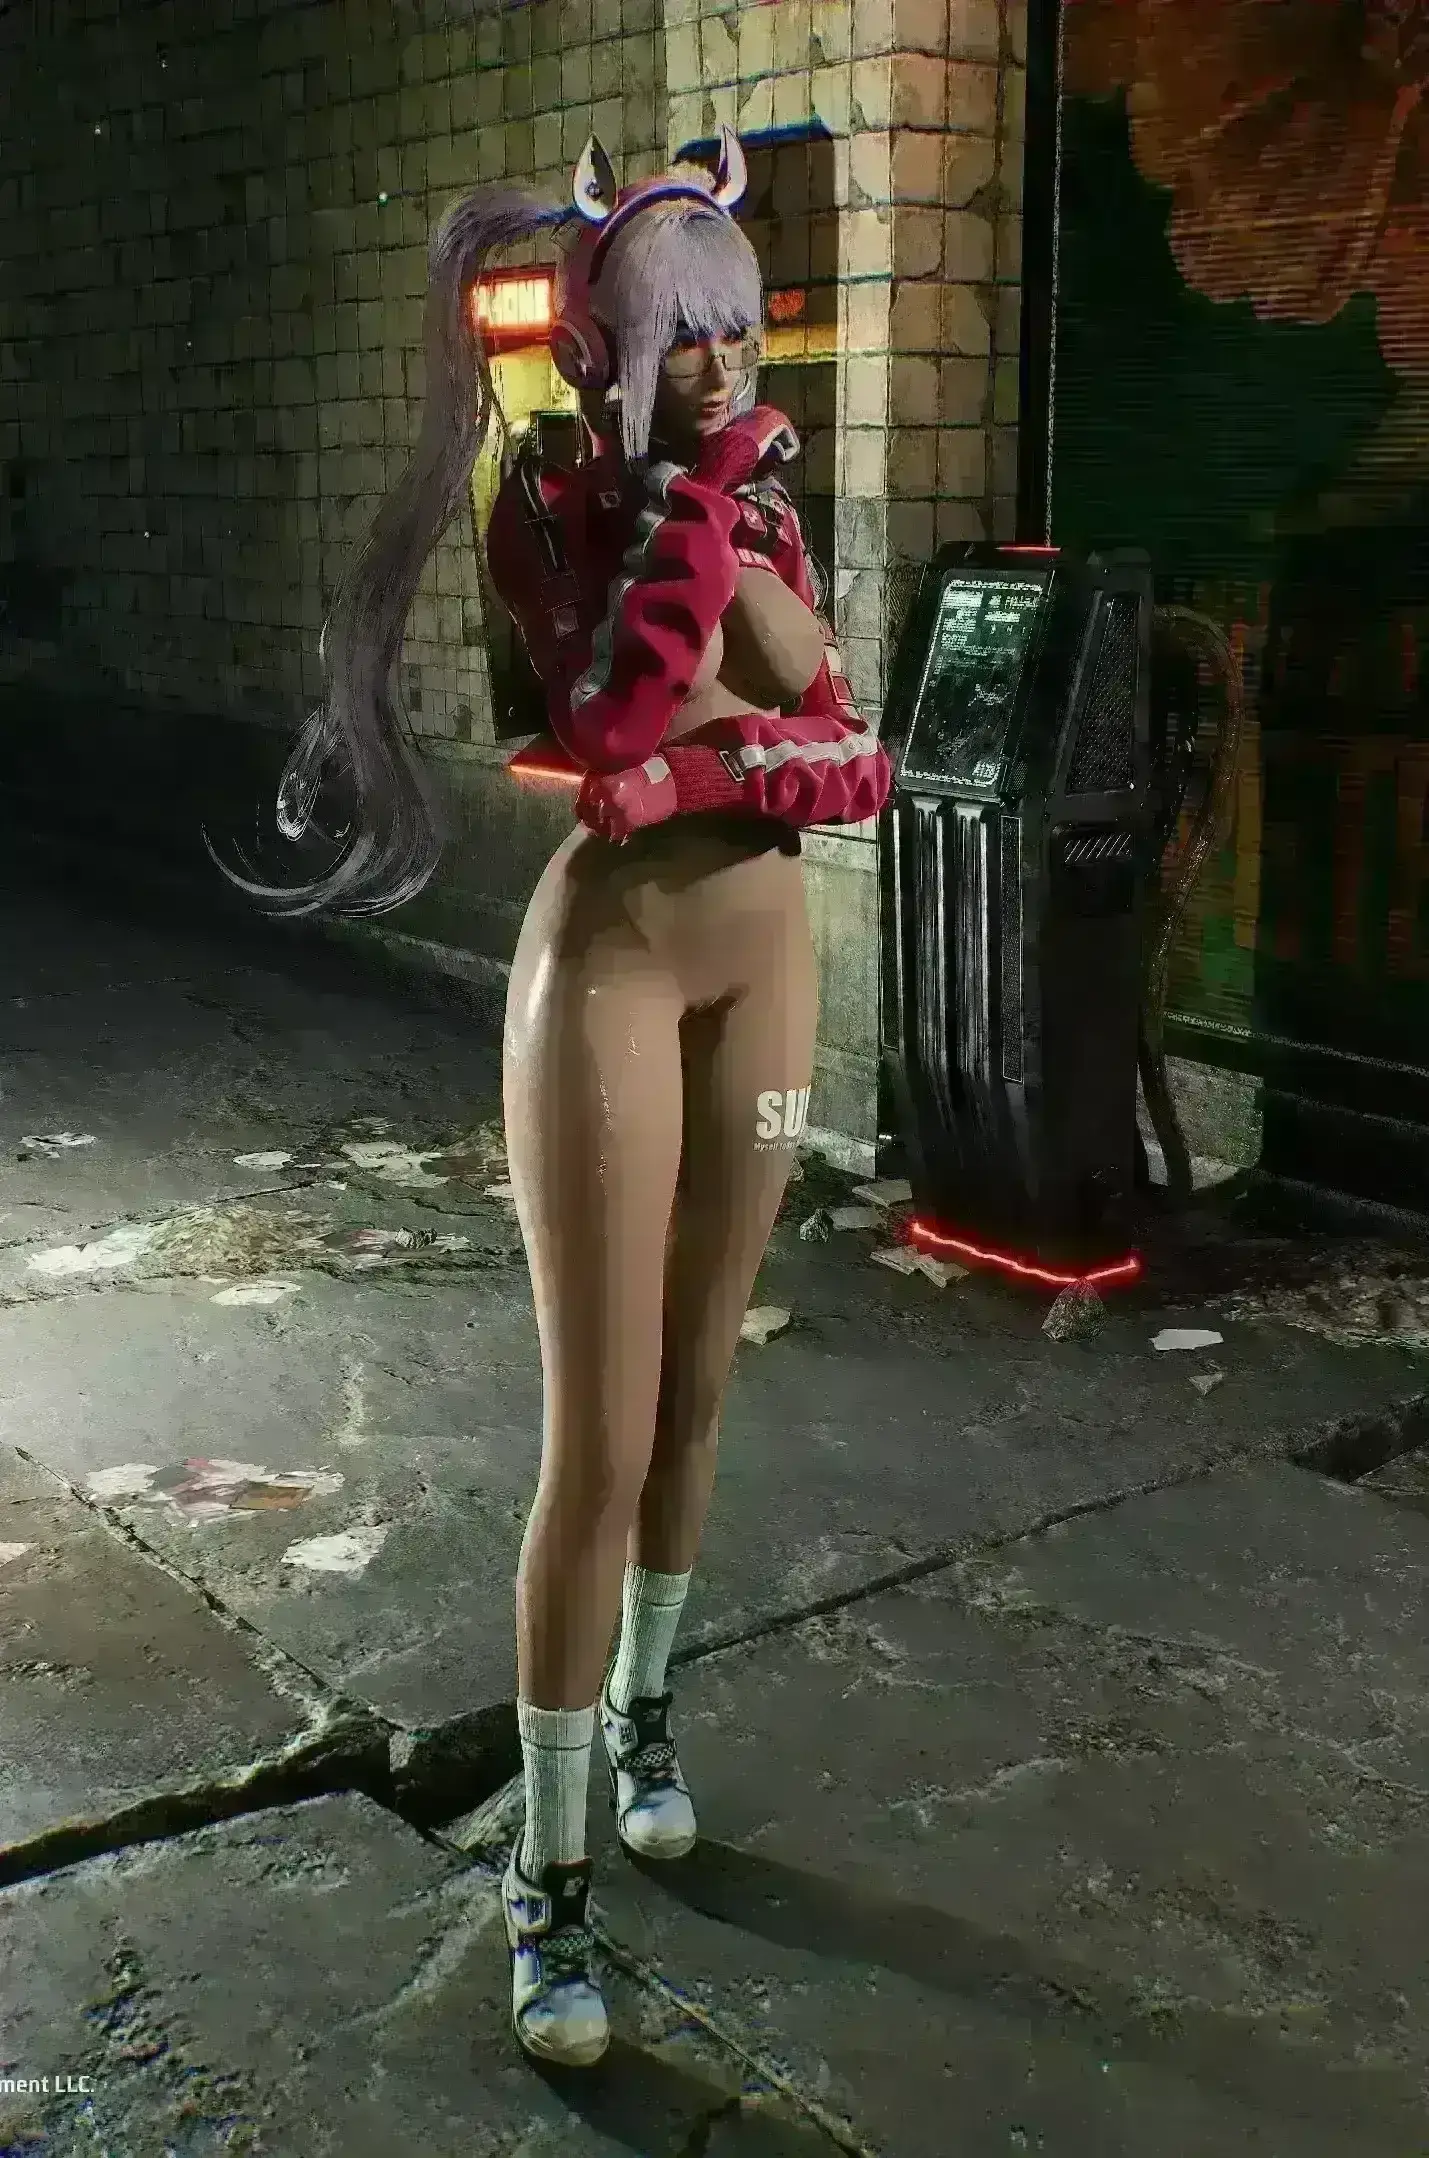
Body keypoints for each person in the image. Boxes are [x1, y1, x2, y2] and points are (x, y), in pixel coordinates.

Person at [211, 127, 891, 2071]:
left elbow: (853, 755)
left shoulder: (761, 502)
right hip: (609, 975)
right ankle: (549, 1871)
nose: (722, 362)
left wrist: (726, 756)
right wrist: (723, 642)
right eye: (684, 333)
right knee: (598, 1430)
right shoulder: (557, 512)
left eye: (738, 327)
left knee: (704, 1386)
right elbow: (614, 712)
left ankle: (647, 1725)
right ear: (611, 348)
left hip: (768, 977)